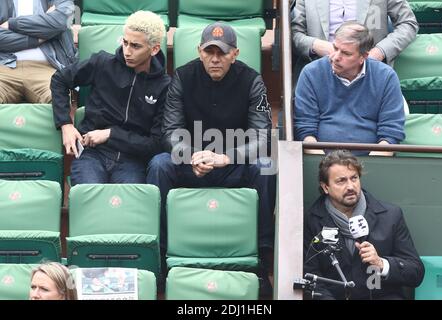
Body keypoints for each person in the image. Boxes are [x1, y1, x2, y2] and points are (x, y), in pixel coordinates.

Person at [147, 22, 276, 278]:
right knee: (159, 164)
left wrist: (225, 157)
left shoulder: (253, 80)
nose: (215, 59)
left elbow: (262, 139)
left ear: (235, 53)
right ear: (199, 51)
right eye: (209, 52)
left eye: (222, 53)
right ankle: (159, 254)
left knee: (265, 166)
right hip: (191, 163)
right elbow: (169, 132)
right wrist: (194, 155)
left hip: (232, 164)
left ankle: (263, 256)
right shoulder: (182, 76)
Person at [51, 10, 170, 185]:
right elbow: (59, 79)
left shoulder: (165, 86)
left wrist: (111, 134)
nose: (127, 51)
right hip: (92, 154)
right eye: (125, 42)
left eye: (135, 46)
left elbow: (156, 144)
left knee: (129, 206)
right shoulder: (102, 63)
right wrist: (66, 124)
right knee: (90, 198)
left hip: (133, 161)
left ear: (154, 49)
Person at [303, 150, 424, 299]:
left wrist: (381, 263)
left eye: (354, 178)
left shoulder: (390, 216)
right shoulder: (312, 220)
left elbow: (416, 272)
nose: (350, 186)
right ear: (325, 187)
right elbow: (310, 276)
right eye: (341, 181)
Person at [293, 21, 405, 156]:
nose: (336, 57)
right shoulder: (311, 72)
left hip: (371, 163)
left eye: (346, 53)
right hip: (323, 164)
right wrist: (326, 168)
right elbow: (305, 130)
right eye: (335, 48)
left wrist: (372, 166)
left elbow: (390, 134)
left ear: (363, 57)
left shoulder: (386, 76)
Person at [291, 0, 418, 78]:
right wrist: (315, 45)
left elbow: (408, 24)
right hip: (321, 71)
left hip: (369, 71)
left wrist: (379, 52)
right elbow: (294, 34)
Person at [0, 0, 77, 103]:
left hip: (48, 68)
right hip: (4, 67)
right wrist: (42, 35)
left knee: (59, 100)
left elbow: (61, 20)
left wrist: (12, 24)